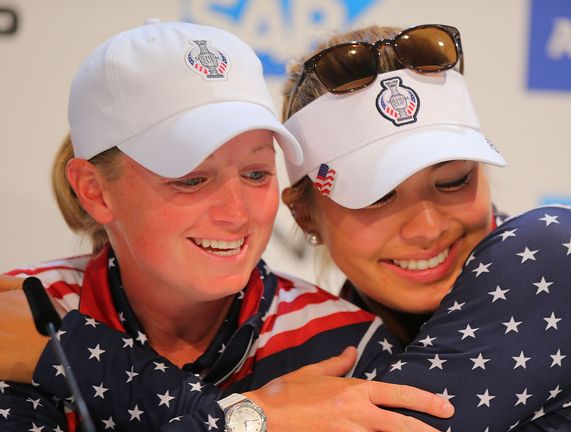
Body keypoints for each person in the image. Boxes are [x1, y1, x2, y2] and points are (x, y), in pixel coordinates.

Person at [1, 23, 571, 431]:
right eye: (375, 195)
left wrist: (58, 357)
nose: (426, 225)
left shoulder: (546, 253)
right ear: (308, 215)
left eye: (454, 181)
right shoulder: (350, 334)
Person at [0, 20, 454, 432]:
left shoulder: (343, 340)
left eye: (256, 173)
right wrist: (255, 419)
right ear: (94, 191)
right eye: (191, 180)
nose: (237, 213)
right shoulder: (21, 315)